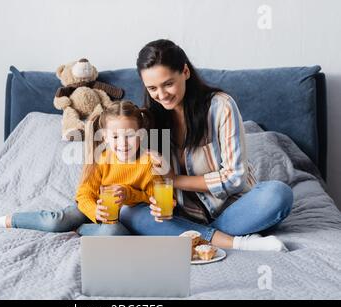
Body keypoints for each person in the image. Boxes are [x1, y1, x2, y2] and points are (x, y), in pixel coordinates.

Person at [118, 39, 293, 251]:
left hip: (234, 212)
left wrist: (175, 180)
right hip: (182, 215)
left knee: (277, 194)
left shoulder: (220, 106)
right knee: (128, 212)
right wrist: (159, 202)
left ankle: (194, 236)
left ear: (185, 72)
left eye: (168, 84)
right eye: (152, 88)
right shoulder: (150, 120)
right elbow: (146, 178)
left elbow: (235, 178)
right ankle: (236, 242)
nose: (161, 95)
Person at [0, 100, 158, 236]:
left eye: (130, 135)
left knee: (115, 232)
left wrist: (129, 195)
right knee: (56, 221)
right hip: (92, 207)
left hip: (121, 217)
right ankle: (0, 221)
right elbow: (84, 195)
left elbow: (154, 198)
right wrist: (95, 212)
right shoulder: (101, 159)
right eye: (115, 137)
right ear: (106, 138)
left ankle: (80, 229)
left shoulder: (149, 162)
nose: (123, 143)